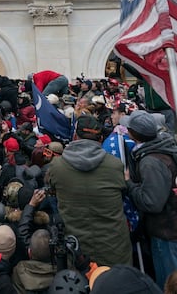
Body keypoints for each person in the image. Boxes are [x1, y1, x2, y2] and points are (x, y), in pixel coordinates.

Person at [125, 111, 177, 288]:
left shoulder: (151, 161)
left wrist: (130, 185)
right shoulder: (167, 147)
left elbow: (152, 202)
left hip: (172, 236)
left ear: (133, 133)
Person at [47, 114, 132, 267]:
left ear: (74, 136)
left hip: (77, 253)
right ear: (100, 139)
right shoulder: (115, 165)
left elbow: (51, 189)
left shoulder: (57, 166)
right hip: (114, 251)